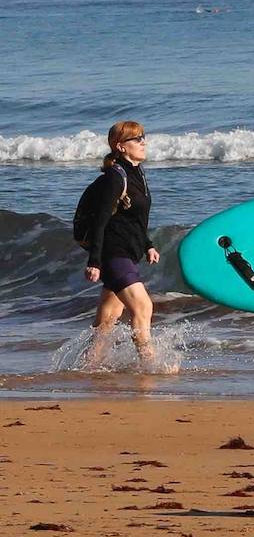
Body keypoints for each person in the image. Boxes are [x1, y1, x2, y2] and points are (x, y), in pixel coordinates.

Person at [83, 120, 160, 368]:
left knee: (107, 320)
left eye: (143, 137)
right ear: (121, 146)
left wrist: (148, 244)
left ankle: (88, 368)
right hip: (113, 253)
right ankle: (149, 365)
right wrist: (94, 260)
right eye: (136, 139)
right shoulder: (115, 178)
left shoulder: (138, 174)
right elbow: (100, 220)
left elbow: (135, 217)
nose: (143, 142)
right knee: (143, 306)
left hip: (128, 252)